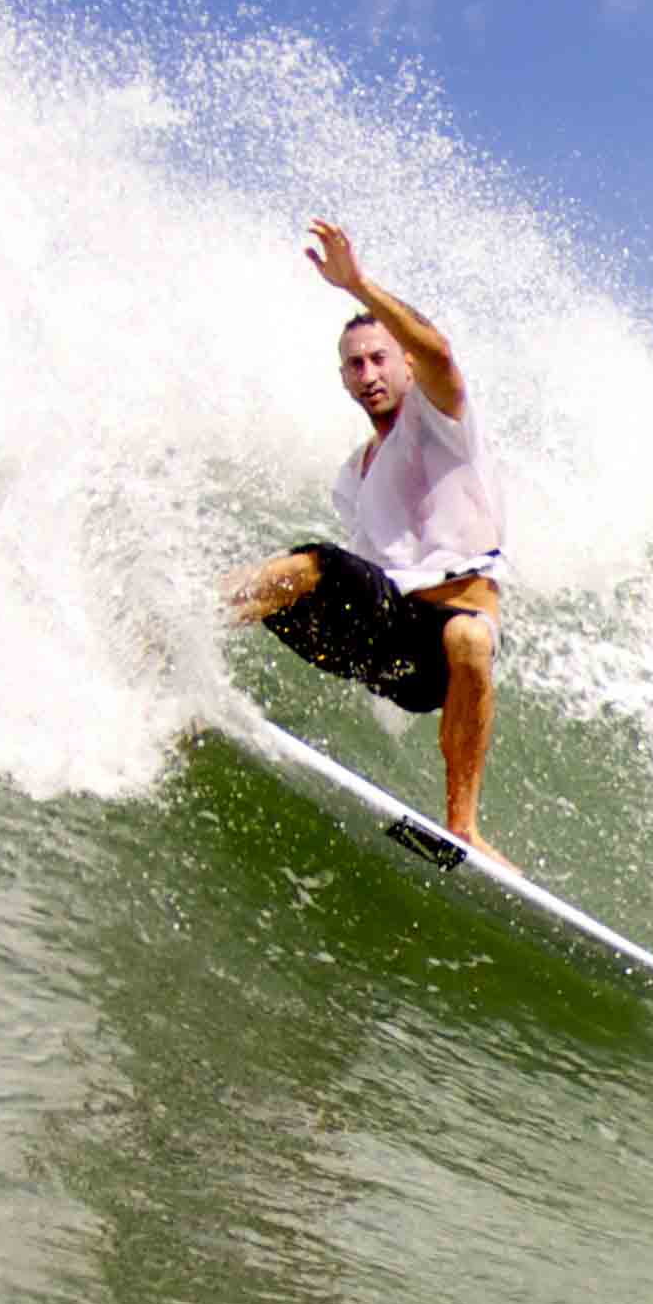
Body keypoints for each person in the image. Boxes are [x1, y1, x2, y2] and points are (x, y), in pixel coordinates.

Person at [224, 222, 508, 850]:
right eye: (355, 364)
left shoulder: (442, 422)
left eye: (380, 358)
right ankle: (175, 635)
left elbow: (438, 353)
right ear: (344, 380)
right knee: (301, 572)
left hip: (445, 650)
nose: (369, 372)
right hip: (386, 640)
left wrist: (356, 285)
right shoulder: (353, 475)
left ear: (406, 366)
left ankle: (463, 826)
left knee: (465, 634)